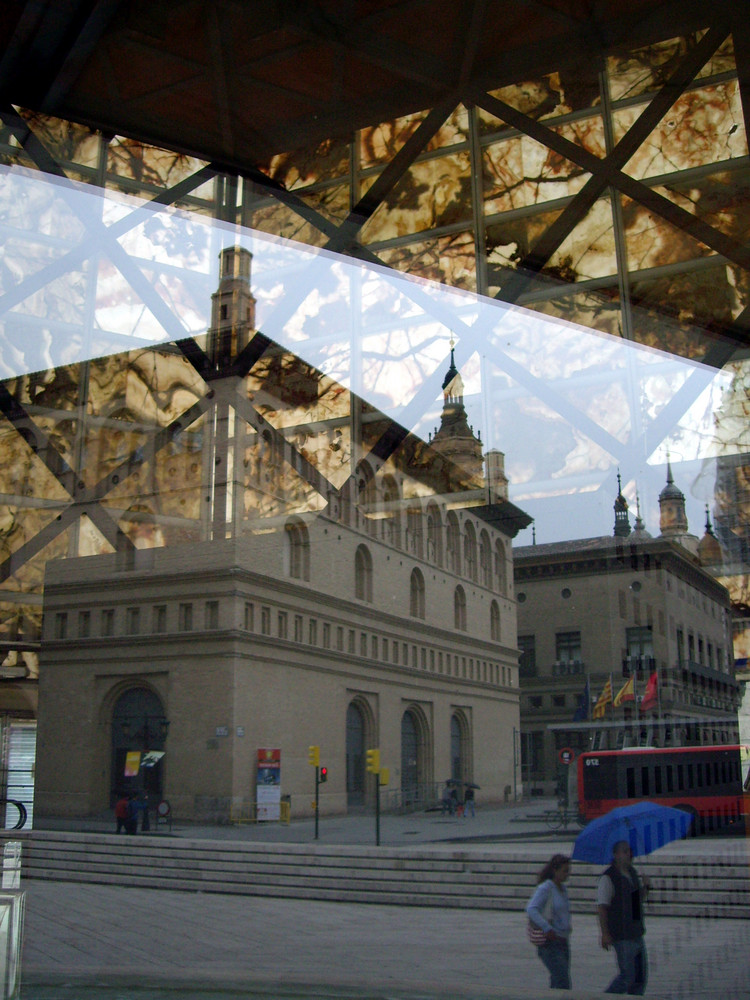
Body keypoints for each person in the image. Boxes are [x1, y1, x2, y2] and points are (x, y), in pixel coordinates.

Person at [597, 840, 651, 994]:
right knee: (628, 976)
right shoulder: (608, 877)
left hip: (636, 932)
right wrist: (605, 933)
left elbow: (636, 900)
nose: (629, 855)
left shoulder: (632, 873)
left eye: (629, 851)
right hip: (621, 934)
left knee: (640, 977)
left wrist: (645, 888)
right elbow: (602, 907)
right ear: (616, 854)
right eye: (625, 851)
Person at [526, 853, 572, 990]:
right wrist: (547, 928)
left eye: (568, 871)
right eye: (564, 871)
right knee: (562, 981)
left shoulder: (563, 889)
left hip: (563, 940)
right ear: (555, 870)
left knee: (557, 980)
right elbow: (531, 909)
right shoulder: (546, 888)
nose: (567, 875)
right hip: (551, 942)